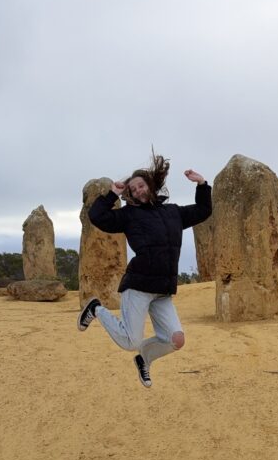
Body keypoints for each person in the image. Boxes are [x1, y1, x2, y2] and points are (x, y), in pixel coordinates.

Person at [77, 154, 211, 388]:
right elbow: (97, 217)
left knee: (175, 340)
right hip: (138, 286)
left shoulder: (173, 213)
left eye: (141, 185)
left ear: (150, 185)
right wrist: (112, 194)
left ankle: (144, 359)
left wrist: (202, 184)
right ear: (129, 194)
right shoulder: (128, 215)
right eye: (133, 189)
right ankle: (97, 309)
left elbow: (203, 210)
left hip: (163, 290)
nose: (138, 190)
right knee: (130, 340)